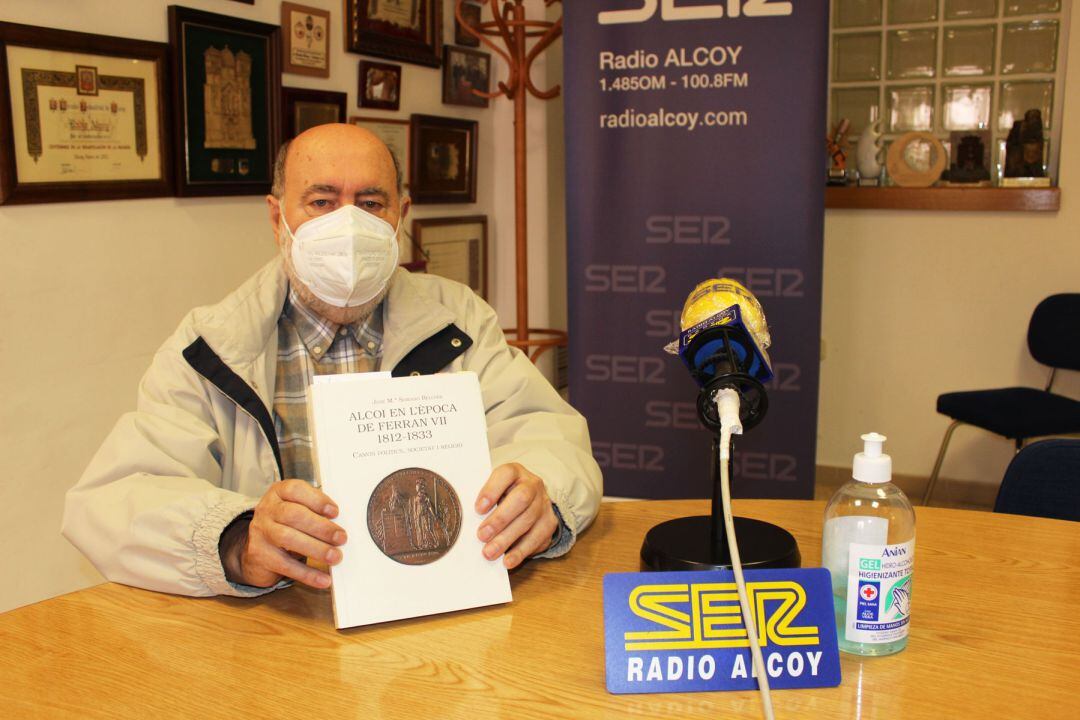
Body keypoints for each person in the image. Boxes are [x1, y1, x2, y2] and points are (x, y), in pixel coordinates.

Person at [62, 123, 602, 598]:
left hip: (439, 614)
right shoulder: (211, 346)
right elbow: (115, 500)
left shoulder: (459, 321)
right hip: (274, 634)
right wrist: (237, 537)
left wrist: (542, 496)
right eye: (321, 202)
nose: (348, 226)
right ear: (278, 219)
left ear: (400, 216)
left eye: (371, 204)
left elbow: (550, 436)